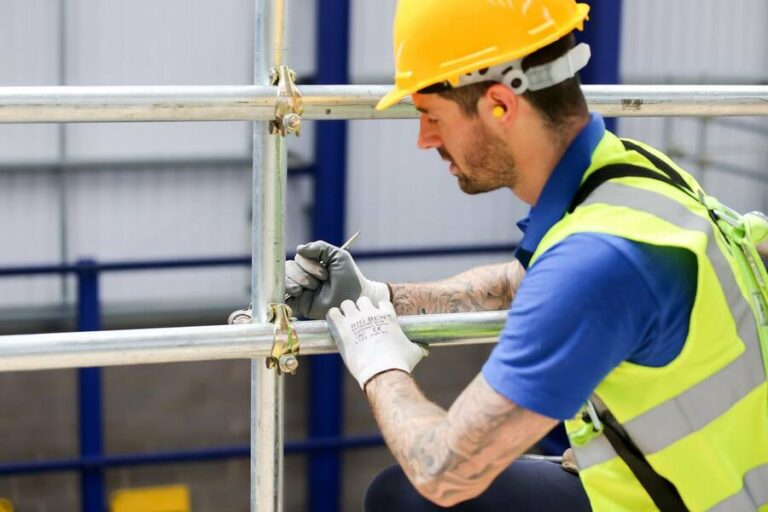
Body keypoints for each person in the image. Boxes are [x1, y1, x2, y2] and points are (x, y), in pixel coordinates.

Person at [285, 1, 768, 510]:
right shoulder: (631, 174)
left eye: (431, 115)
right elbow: (525, 281)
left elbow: (442, 469)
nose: (425, 139)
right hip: (696, 483)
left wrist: (377, 361)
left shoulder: (596, 263)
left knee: (408, 499)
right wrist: (380, 299)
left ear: (500, 104)